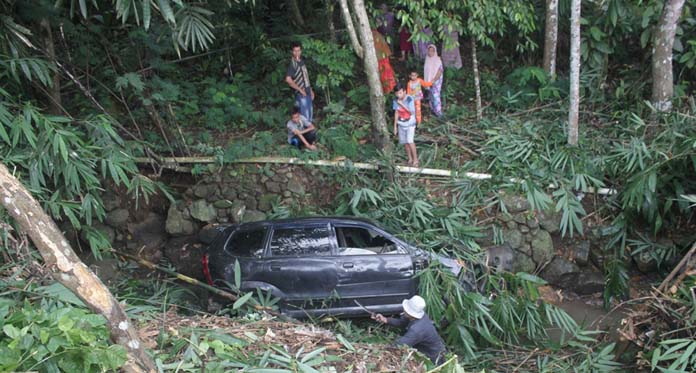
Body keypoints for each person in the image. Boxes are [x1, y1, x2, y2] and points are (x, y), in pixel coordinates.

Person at [372, 295, 446, 365]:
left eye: (406, 308)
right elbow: (402, 322)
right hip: (424, 347)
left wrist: (380, 349)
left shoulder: (417, 330)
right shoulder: (416, 316)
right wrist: (385, 319)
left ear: (410, 312)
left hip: (433, 357)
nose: (404, 309)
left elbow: (400, 345)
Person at [285, 42, 314, 122]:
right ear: (292, 52)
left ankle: (309, 133)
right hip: (301, 95)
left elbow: (305, 77)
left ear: (301, 51)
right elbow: (288, 79)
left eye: (298, 50)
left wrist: (311, 90)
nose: (297, 53)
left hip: (307, 92)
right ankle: (304, 134)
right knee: (304, 117)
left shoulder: (301, 61)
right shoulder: (292, 64)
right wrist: (300, 90)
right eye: (295, 51)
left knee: (310, 115)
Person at [392, 84, 418, 167]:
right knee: (405, 142)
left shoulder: (409, 99)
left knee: (410, 141)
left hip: (410, 123)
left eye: (400, 93)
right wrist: (395, 126)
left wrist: (402, 104)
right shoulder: (395, 100)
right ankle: (410, 159)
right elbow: (396, 112)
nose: (398, 95)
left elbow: (411, 112)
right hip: (401, 123)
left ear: (404, 92)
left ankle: (416, 160)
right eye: (397, 94)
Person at [373, 29, 396, 94]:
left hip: (381, 59)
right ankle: (389, 89)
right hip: (382, 58)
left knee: (384, 74)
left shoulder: (375, 35)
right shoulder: (377, 34)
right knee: (385, 73)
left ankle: (389, 89)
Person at [424, 44, 444, 117]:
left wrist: (434, 80)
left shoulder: (438, 60)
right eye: (429, 51)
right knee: (431, 96)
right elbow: (426, 72)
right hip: (429, 82)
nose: (430, 52)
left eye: (432, 51)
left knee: (436, 96)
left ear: (435, 51)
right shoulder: (427, 59)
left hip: (436, 81)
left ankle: (439, 112)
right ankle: (433, 110)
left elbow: (440, 71)